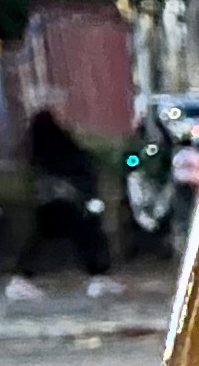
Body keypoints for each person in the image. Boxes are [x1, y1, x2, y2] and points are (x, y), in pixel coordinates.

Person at [11, 104, 122, 300]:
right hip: (70, 203)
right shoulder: (62, 145)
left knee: (42, 240)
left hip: (48, 204)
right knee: (88, 238)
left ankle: (21, 279)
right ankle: (98, 278)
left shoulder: (37, 149)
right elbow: (83, 163)